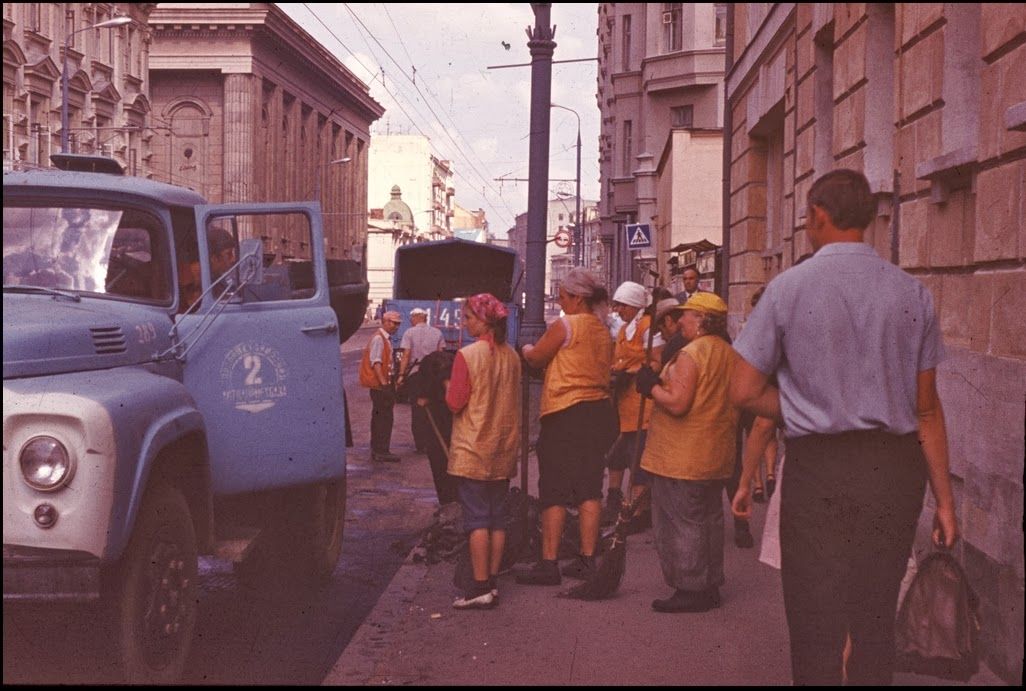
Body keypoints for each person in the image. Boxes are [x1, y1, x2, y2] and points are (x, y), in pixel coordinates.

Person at [729, 169, 959, 685]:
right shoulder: (911, 293)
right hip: (893, 471)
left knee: (815, 622)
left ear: (817, 215)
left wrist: (805, 407)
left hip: (820, 472)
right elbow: (927, 410)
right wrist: (944, 501)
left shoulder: (787, 289)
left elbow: (741, 391)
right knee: (875, 619)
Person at [635, 292, 740, 613]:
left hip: (681, 457)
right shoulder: (728, 352)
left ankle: (690, 588)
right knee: (708, 519)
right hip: (715, 452)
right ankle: (709, 584)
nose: (680, 321)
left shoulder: (691, 354)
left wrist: (651, 387)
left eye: (687, 315)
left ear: (702, 320)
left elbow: (678, 403)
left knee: (681, 523)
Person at [517, 267, 617, 586]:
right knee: (590, 486)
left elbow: (536, 358)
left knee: (554, 488)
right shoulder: (604, 329)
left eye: (563, 298)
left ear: (577, 298)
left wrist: (526, 349)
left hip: (565, 412)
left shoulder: (566, 325)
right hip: (599, 411)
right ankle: (588, 560)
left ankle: (549, 563)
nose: (561, 304)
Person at [445, 293, 522, 609]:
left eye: (469, 319)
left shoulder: (467, 355)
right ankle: (491, 580)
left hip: (473, 448)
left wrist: (444, 388)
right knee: (497, 519)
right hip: (502, 448)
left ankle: (478, 588)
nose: (465, 323)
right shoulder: (513, 356)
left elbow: (455, 402)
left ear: (484, 321)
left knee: (476, 519)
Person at [601, 281, 663, 532]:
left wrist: (635, 371)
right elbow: (618, 360)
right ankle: (615, 500)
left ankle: (639, 511)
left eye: (622, 305)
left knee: (637, 459)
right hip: (624, 403)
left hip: (643, 405)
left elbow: (657, 362)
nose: (617, 310)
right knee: (617, 456)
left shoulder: (649, 328)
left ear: (635, 305)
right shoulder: (626, 328)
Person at [397, 307, 446, 452]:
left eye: (412, 317)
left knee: (417, 410)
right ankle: (433, 441)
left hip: (416, 373)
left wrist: (401, 375)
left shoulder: (409, 333)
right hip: (433, 375)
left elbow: (406, 355)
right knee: (434, 406)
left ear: (417, 317)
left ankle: (420, 444)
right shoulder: (437, 332)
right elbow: (441, 355)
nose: (411, 320)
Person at [359, 310, 402, 463]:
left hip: (381, 385)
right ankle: (381, 450)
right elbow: (376, 362)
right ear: (385, 321)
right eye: (394, 323)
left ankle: (378, 449)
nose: (396, 326)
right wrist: (385, 384)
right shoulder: (379, 338)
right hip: (380, 386)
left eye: (398, 324)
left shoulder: (385, 338)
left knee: (380, 418)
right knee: (384, 418)